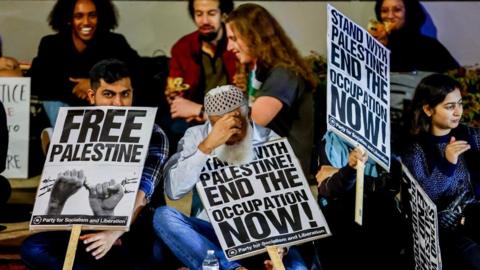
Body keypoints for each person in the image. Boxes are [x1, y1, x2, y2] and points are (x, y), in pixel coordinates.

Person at [21, 59, 170, 270]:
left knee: (158, 256)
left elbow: (143, 193)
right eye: (109, 94)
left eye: (125, 94)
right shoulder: (74, 130)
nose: (118, 103)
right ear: (92, 96)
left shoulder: (153, 132)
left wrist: (113, 232)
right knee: (33, 249)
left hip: (135, 227)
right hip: (86, 229)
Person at [153, 85, 307, 270]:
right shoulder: (195, 136)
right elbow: (174, 191)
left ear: (248, 114)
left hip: (264, 239)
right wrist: (207, 146)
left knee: (297, 266)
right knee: (163, 216)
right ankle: (231, 268)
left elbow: (292, 204)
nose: (228, 135)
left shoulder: (271, 140)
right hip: (214, 234)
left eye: (235, 126)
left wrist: (282, 247)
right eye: (219, 126)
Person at [225, 3, 316, 179]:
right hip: (264, 166)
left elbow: (254, 119)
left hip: (284, 177)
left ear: (254, 36)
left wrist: (199, 111)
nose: (229, 47)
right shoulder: (259, 71)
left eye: (234, 38)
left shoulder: (284, 74)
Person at [402, 74, 480, 270]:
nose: (458, 112)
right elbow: (423, 199)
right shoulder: (416, 150)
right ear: (428, 109)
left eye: (459, 104)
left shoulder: (470, 135)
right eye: (449, 106)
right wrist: (447, 164)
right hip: (446, 232)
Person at [28, 0, 141, 126]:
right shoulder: (51, 44)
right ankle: (65, 139)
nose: (86, 22)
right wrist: (77, 89)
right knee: (53, 101)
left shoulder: (115, 43)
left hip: (104, 106)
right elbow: (39, 81)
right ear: (69, 19)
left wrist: (93, 85)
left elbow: (137, 74)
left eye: (92, 15)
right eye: (79, 16)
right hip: (64, 106)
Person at [314, 131, 405, 270]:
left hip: (378, 231)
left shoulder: (385, 142)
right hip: (341, 232)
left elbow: (391, 186)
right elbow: (330, 189)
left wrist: (341, 172)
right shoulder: (331, 140)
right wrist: (350, 170)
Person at [369, 0, 459, 72]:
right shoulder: (374, 43)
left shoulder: (430, 47)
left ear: (409, 13)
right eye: (384, 11)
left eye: (397, 10)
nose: (390, 16)